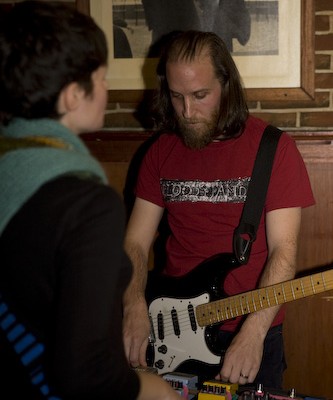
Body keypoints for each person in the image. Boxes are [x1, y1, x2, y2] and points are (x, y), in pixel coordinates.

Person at [0, 2, 181, 399]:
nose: (107, 89)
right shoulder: (87, 203)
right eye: (100, 78)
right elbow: (86, 374)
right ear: (71, 96)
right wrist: (153, 390)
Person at [122, 30, 315, 389]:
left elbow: (283, 252)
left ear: (226, 85)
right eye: (176, 97)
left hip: (251, 328)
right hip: (169, 329)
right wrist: (133, 304)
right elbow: (134, 242)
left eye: (200, 95)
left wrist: (253, 333)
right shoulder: (160, 152)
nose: (187, 112)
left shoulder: (274, 150)